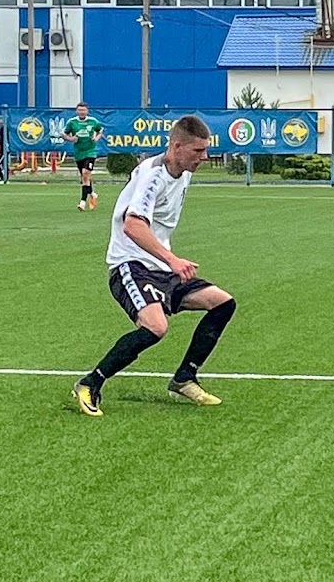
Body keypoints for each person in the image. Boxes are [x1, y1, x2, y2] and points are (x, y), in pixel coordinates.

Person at [72, 115, 236, 417]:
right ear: (177, 146)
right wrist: (173, 260)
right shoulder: (152, 175)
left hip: (160, 266)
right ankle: (89, 384)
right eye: (198, 152)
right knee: (156, 327)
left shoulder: (183, 171)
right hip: (130, 265)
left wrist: (168, 261)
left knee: (223, 303)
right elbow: (132, 226)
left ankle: (185, 377)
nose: (205, 157)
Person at [62, 102, 103, 211]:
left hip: (91, 151)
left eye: (83, 110)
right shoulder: (72, 122)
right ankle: (92, 194)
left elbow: (100, 131)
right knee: (85, 177)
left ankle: (82, 202)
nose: (82, 112)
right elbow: (63, 134)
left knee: (85, 174)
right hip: (79, 152)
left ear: (87, 111)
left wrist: (97, 138)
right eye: (80, 110)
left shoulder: (93, 121)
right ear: (76, 111)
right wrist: (71, 139)